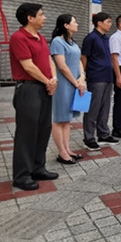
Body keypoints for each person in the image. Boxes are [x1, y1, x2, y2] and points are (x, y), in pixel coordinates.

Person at [8, 3, 58, 190]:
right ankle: (22, 176)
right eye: (41, 14)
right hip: (28, 89)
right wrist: (47, 81)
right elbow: (28, 66)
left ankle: (38, 167)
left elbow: (48, 60)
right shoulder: (19, 38)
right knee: (26, 133)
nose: (44, 18)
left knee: (43, 129)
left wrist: (53, 79)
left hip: (44, 87)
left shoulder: (41, 38)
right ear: (30, 18)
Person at [50, 15, 86, 165]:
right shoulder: (57, 42)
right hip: (64, 85)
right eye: (74, 22)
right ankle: (61, 152)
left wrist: (82, 77)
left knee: (67, 119)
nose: (77, 24)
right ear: (66, 25)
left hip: (75, 84)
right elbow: (62, 66)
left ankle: (67, 149)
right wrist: (76, 82)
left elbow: (78, 61)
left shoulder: (72, 42)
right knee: (59, 119)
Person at [81, 13, 119, 149]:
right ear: (99, 23)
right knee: (93, 108)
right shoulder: (91, 38)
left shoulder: (105, 38)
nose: (110, 24)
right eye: (108, 22)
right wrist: (84, 75)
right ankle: (89, 137)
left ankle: (103, 134)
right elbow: (84, 57)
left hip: (107, 77)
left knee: (105, 107)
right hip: (95, 77)